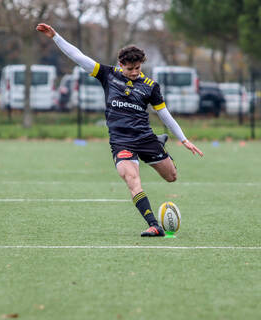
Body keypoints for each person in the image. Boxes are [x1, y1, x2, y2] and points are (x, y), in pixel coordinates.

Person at [36, 23, 204, 237]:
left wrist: (183, 139)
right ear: (121, 64)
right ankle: (153, 224)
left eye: (138, 68)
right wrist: (55, 37)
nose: (134, 73)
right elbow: (78, 57)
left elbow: (164, 114)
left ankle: (159, 143)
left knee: (171, 177)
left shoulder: (150, 86)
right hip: (121, 141)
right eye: (130, 69)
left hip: (145, 137)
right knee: (132, 180)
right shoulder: (107, 75)